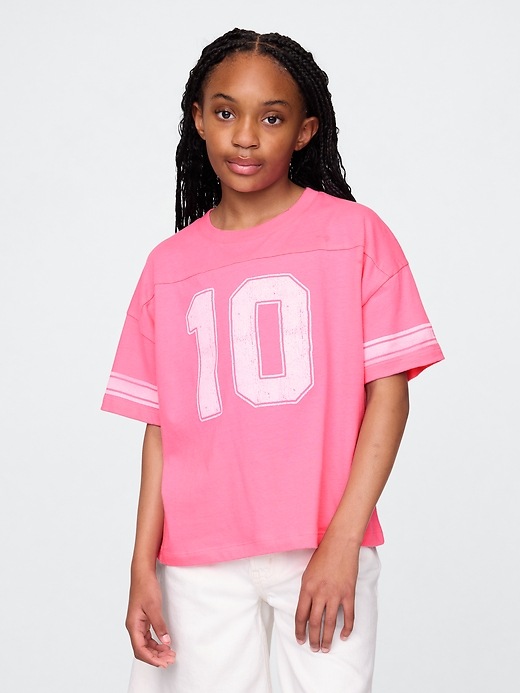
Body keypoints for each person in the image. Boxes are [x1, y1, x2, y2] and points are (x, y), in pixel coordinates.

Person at [102, 27, 444, 693]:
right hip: (197, 560)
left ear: (306, 131)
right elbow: (161, 429)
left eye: (272, 118)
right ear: (198, 119)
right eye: (226, 112)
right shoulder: (167, 267)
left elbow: (390, 393)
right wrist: (143, 564)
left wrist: (342, 541)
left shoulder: (354, 236)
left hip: (321, 547)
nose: (245, 137)